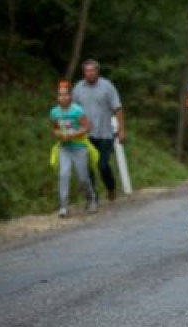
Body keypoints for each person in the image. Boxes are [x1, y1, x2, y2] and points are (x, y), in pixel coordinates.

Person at [72, 59, 124, 201]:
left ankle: (111, 187)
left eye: (92, 70)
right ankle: (92, 196)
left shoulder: (107, 86)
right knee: (87, 166)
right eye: (87, 71)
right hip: (85, 134)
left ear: (97, 71)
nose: (90, 74)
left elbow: (117, 108)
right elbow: (72, 112)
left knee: (103, 165)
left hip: (105, 133)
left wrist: (121, 130)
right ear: (83, 73)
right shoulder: (78, 88)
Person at [50, 81, 97, 217]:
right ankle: (64, 206)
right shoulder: (54, 112)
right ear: (57, 97)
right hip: (64, 148)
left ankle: (91, 199)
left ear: (70, 96)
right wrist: (60, 135)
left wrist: (73, 134)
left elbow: (87, 127)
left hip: (79, 147)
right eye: (60, 95)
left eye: (65, 95)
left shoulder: (77, 110)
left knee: (83, 177)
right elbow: (54, 130)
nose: (63, 97)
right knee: (63, 175)